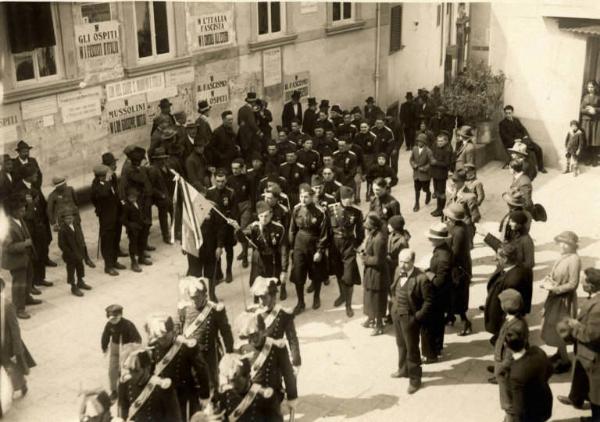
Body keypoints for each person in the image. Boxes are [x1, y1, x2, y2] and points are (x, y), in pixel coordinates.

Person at [176, 277, 233, 394]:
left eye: (197, 297)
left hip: (210, 354)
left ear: (204, 294)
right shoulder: (184, 309)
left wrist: (230, 352)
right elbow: (178, 328)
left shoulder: (215, 309)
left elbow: (226, 332)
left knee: (213, 384)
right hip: (190, 354)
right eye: (192, 298)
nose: (195, 300)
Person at [557, 268, 600, 421]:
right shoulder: (593, 298)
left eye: (583, 279)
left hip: (592, 355)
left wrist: (574, 326)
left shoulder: (598, 308)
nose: (581, 281)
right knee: (580, 376)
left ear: (591, 286)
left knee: (596, 393)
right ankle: (576, 398)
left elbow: (590, 335)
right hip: (584, 353)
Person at [389, 249, 432, 394]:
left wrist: (417, 318)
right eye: (400, 261)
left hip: (410, 317)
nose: (402, 265)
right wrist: (393, 304)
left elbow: (429, 302)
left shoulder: (421, 278)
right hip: (397, 314)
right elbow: (394, 288)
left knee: (412, 348)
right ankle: (403, 369)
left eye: (406, 262)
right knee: (400, 344)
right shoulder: (398, 270)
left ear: (413, 262)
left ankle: (415, 379)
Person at [540, 231, 581, 374]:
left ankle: (565, 361)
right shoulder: (563, 257)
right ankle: (560, 353)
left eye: (565, 243)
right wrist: (548, 280)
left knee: (560, 329)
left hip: (564, 300)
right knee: (553, 325)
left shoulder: (574, 259)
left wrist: (555, 289)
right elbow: (555, 274)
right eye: (560, 243)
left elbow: (573, 284)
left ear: (572, 245)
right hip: (555, 297)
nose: (562, 246)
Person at [289, 184, 329, 314]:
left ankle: (316, 297)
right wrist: (292, 248)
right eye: (301, 196)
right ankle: (300, 302)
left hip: (314, 243)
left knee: (316, 273)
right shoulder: (296, 209)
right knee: (298, 274)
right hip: (299, 243)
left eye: (306, 197)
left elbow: (324, 234)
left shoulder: (320, 212)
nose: (303, 199)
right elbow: (292, 229)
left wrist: (320, 251)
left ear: (312, 197)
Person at [490, 289, 529, 416]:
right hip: (503, 363)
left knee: (508, 397)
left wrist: (502, 367)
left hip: (506, 367)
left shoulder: (516, 326)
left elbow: (512, 351)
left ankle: (511, 417)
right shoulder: (515, 320)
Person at [209, 353, 282, 421]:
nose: (233, 385)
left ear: (248, 376)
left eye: (237, 380)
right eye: (231, 381)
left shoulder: (265, 397)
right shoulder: (225, 396)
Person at [15, 165, 53, 292]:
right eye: (35, 174)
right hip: (29, 226)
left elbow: (41, 203)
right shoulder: (19, 188)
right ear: (28, 176)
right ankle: (30, 284)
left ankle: (40, 278)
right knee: (32, 254)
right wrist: (29, 204)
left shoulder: (34, 186)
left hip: (39, 223)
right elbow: (21, 210)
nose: (37, 176)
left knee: (42, 250)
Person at [484, 243, 531, 345]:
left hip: (503, 314)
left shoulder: (513, 280)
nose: (495, 258)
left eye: (498, 256)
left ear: (505, 259)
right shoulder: (514, 267)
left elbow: (509, 308)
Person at [328, 186, 364, 317]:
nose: (348, 201)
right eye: (345, 198)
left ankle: (348, 304)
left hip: (349, 245)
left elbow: (360, 232)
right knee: (338, 273)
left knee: (349, 277)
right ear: (340, 198)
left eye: (351, 198)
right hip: (335, 245)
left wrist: (356, 245)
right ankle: (342, 295)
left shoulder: (357, 212)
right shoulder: (331, 209)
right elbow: (327, 229)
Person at [117, 348, 182, 422]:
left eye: (136, 371)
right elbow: (123, 410)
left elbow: (174, 419)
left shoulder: (162, 387)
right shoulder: (125, 384)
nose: (132, 375)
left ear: (147, 368)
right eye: (131, 371)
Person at [240, 201, 288, 299]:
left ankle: (282, 288)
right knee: (256, 280)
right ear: (257, 216)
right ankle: (257, 298)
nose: (263, 219)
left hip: (273, 257)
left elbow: (284, 250)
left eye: (266, 216)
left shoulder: (279, 228)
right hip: (258, 257)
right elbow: (242, 238)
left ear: (271, 214)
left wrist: (284, 269)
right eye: (261, 216)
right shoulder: (254, 227)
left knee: (273, 280)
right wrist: (237, 230)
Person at [1, 195, 39, 319]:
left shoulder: (20, 219)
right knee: (19, 285)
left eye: (24, 209)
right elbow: (8, 247)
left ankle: (27, 298)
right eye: (21, 210)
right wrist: (25, 244)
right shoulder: (7, 226)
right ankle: (19, 309)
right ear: (13, 211)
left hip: (26, 257)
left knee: (29, 278)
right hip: (16, 261)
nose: (24, 212)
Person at [251, 276, 301, 368]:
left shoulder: (283, 314)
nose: (261, 301)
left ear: (273, 296)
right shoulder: (254, 314)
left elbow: (292, 338)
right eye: (259, 297)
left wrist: (296, 360)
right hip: (259, 362)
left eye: (264, 297)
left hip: (276, 361)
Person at [421, 222, 452, 363]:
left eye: (432, 238)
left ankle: (431, 354)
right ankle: (437, 347)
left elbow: (439, 281)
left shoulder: (443, 256)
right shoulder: (442, 250)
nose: (429, 240)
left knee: (431, 323)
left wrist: (427, 272)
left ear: (440, 239)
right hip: (442, 295)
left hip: (438, 295)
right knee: (438, 323)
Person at [47, 176, 95, 267]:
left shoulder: (70, 190)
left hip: (75, 219)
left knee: (80, 239)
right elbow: (49, 211)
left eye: (65, 183)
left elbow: (76, 201)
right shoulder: (52, 196)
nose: (65, 185)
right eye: (63, 184)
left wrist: (76, 213)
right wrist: (53, 223)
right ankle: (70, 258)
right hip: (63, 223)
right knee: (67, 241)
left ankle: (87, 258)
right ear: (57, 186)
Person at [0, 278, 35, 399]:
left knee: (11, 368)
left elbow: (15, 329)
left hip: (6, 345)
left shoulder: (7, 305)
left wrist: (17, 349)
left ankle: (21, 385)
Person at [506, 334, 554, 422]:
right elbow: (550, 370)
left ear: (508, 349)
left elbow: (519, 406)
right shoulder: (538, 351)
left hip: (529, 414)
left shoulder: (516, 374)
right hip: (545, 401)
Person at [100, 304, 141, 401]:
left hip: (126, 350)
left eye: (114, 318)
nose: (112, 321)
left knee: (127, 370)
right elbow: (105, 335)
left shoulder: (128, 325)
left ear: (120, 315)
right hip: (115, 348)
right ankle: (114, 390)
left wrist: (133, 349)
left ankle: (130, 390)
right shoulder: (109, 325)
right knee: (112, 371)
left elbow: (137, 339)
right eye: (110, 318)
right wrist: (104, 346)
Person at [443, 203, 472, 336]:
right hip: (459, 266)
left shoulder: (459, 231)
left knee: (458, 296)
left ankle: (466, 322)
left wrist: (445, 262)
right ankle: (450, 316)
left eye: (448, 216)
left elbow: (455, 253)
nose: (446, 218)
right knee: (450, 294)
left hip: (458, 269)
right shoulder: (459, 227)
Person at [91, 165, 125, 276]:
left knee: (115, 239)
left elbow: (115, 194)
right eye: (107, 174)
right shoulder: (97, 186)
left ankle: (114, 261)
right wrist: (106, 181)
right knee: (107, 242)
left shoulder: (108, 182)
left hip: (115, 215)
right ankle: (108, 266)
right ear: (101, 176)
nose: (110, 175)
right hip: (106, 218)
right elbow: (103, 194)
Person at [359, 213, 389, 336]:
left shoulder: (379, 239)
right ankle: (371, 318)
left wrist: (365, 258)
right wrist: (364, 252)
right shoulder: (372, 236)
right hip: (371, 273)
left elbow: (378, 260)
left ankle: (379, 325)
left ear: (374, 228)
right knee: (369, 297)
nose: (366, 229)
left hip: (378, 274)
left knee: (377, 300)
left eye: (367, 227)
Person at [58, 208, 92, 297]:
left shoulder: (76, 225)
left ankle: (80, 281)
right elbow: (61, 244)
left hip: (79, 252)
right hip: (70, 256)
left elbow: (80, 237)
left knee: (80, 267)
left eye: (71, 218)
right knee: (71, 271)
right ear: (64, 220)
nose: (69, 220)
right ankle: (73, 286)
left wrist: (83, 251)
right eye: (67, 219)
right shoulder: (63, 230)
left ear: (73, 218)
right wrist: (70, 253)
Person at [121, 186, 152, 273]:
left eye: (135, 197)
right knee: (133, 245)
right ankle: (133, 261)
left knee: (141, 242)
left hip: (141, 227)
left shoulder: (138, 202)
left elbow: (141, 212)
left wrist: (145, 221)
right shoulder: (126, 206)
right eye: (131, 197)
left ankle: (141, 257)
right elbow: (123, 219)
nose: (133, 198)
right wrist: (130, 225)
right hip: (133, 230)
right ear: (128, 197)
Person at [147, 148, 174, 244]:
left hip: (168, 194)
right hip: (160, 198)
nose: (163, 160)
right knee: (163, 216)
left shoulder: (166, 166)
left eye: (164, 158)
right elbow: (151, 187)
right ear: (156, 160)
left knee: (173, 211)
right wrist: (161, 195)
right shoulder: (153, 170)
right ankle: (166, 236)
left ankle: (175, 231)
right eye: (161, 159)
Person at [447, 170, 481, 242]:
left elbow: (476, 216)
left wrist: (467, 227)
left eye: (455, 181)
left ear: (462, 181)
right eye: (452, 180)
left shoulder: (470, 196)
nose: (452, 183)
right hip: (453, 227)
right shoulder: (454, 192)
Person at [430, 131, 453, 217]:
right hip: (435, 173)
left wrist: (435, 162)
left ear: (446, 141)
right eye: (438, 141)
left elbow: (447, 164)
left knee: (441, 192)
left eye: (441, 141)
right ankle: (438, 208)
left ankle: (441, 210)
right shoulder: (435, 147)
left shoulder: (448, 150)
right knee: (437, 192)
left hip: (441, 174)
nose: (439, 143)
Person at [409, 133, 433, 212]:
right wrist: (413, 165)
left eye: (421, 141)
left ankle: (428, 193)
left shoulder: (428, 151)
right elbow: (411, 159)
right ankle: (417, 203)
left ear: (424, 142)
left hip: (425, 175)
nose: (419, 143)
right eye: (418, 141)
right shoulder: (414, 149)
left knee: (425, 189)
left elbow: (431, 162)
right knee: (417, 189)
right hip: (416, 174)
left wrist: (425, 168)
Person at [238, 92, 263, 160]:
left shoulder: (241, 109)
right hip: (251, 136)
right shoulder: (249, 110)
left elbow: (239, 122)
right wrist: (259, 132)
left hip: (242, 135)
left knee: (246, 153)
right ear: (253, 102)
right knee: (254, 153)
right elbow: (252, 123)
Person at [581, 80, 600, 166]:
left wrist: (595, 110)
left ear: (595, 87)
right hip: (586, 122)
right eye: (589, 87)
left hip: (595, 122)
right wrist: (589, 111)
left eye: (592, 87)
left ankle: (594, 159)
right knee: (587, 139)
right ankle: (587, 159)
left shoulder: (598, 97)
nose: (590, 89)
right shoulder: (585, 97)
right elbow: (581, 109)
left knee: (594, 140)